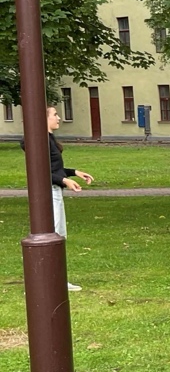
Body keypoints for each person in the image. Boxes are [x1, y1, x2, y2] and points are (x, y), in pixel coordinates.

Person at [26, 106, 94, 292]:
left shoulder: (48, 139)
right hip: (49, 193)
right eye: (54, 114)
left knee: (59, 235)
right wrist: (65, 181)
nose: (59, 117)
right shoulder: (39, 142)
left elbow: (54, 168)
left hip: (56, 190)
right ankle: (47, 281)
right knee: (52, 235)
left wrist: (74, 173)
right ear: (43, 119)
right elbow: (42, 171)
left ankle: (56, 279)